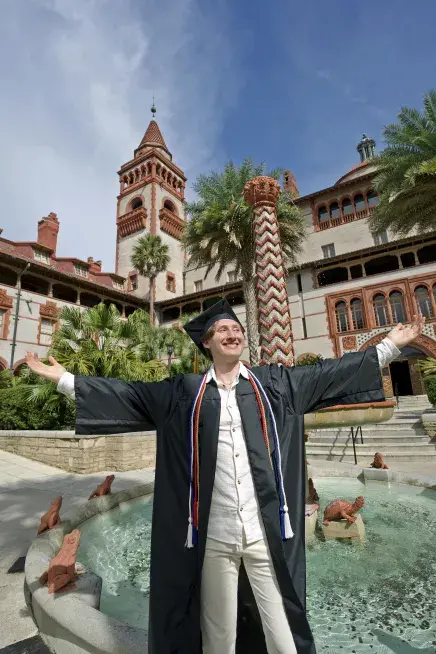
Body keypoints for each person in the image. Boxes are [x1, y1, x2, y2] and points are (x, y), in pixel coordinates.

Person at [25, 300, 424, 654]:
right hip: (213, 536)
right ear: (208, 343)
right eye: (223, 330)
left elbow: (330, 374)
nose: (232, 334)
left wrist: (388, 346)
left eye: (236, 329)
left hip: (262, 533)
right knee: (218, 635)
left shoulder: (275, 385)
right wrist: (64, 379)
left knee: (282, 627)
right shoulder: (185, 393)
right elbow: (128, 394)